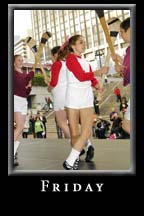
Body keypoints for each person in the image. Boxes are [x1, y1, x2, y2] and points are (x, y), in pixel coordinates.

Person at [62, 34, 109, 170]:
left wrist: (97, 86)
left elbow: (90, 79)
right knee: (75, 133)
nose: (84, 44)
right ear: (73, 46)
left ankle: (69, 160)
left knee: (87, 130)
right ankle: (74, 158)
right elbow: (81, 76)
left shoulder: (86, 62)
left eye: (84, 42)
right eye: (81, 42)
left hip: (86, 98)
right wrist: (99, 71)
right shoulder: (70, 59)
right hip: (73, 98)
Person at [14, 54, 35, 166]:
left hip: (23, 100)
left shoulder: (24, 74)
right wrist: (31, 75)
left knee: (20, 129)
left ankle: (13, 153)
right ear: (14, 62)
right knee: (20, 126)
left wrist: (29, 88)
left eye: (22, 60)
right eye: (19, 60)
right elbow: (20, 83)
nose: (21, 61)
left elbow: (25, 92)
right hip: (15, 99)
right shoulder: (13, 73)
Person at [111, 17, 130, 135]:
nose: (120, 35)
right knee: (126, 124)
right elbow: (127, 71)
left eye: (122, 32)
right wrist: (120, 63)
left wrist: (121, 68)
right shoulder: (129, 50)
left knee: (127, 124)